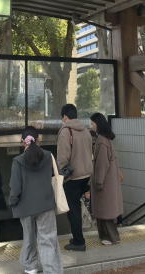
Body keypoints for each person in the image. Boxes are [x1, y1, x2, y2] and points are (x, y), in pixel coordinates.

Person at [9, 127, 63, 274]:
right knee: (48, 239)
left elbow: (15, 187)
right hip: (46, 205)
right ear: (38, 140)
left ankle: (31, 266)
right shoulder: (48, 156)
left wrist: (12, 202)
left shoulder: (18, 161)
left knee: (29, 238)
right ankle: (51, 270)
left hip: (25, 207)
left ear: (23, 142)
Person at [57, 104, 93, 251]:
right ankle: (77, 237)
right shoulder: (86, 130)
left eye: (62, 117)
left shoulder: (66, 131)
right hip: (86, 175)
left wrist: (61, 173)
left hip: (73, 177)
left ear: (65, 116)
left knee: (73, 210)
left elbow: (62, 157)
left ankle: (78, 241)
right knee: (77, 207)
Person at [90, 112, 123, 245]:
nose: (91, 126)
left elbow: (101, 164)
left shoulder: (101, 141)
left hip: (104, 183)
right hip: (110, 182)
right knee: (106, 211)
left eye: (92, 123)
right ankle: (108, 237)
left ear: (98, 124)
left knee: (104, 211)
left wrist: (98, 182)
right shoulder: (106, 139)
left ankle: (110, 238)